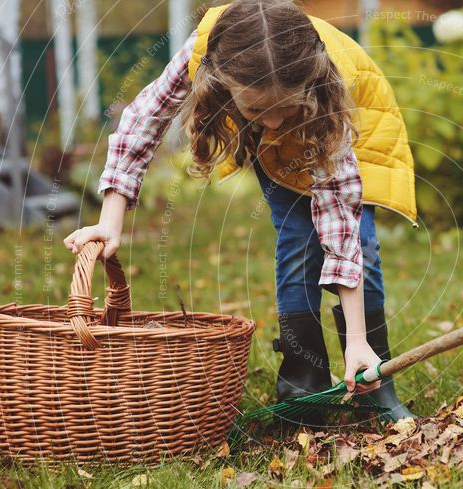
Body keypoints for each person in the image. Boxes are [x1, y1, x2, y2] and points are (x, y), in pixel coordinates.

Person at [63, 0, 418, 427]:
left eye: (283, 109)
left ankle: (374, 382)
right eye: (255, 110)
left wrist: (357, 339)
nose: (270, 122)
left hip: (350, 134)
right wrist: (110, 221)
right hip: (280, 155)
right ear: (220, 80)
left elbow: (338, 216)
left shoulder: (325, 89)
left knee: (361, 245)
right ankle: (303, 391)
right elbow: (142, 121)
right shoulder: (204, 55)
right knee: (297, 245)